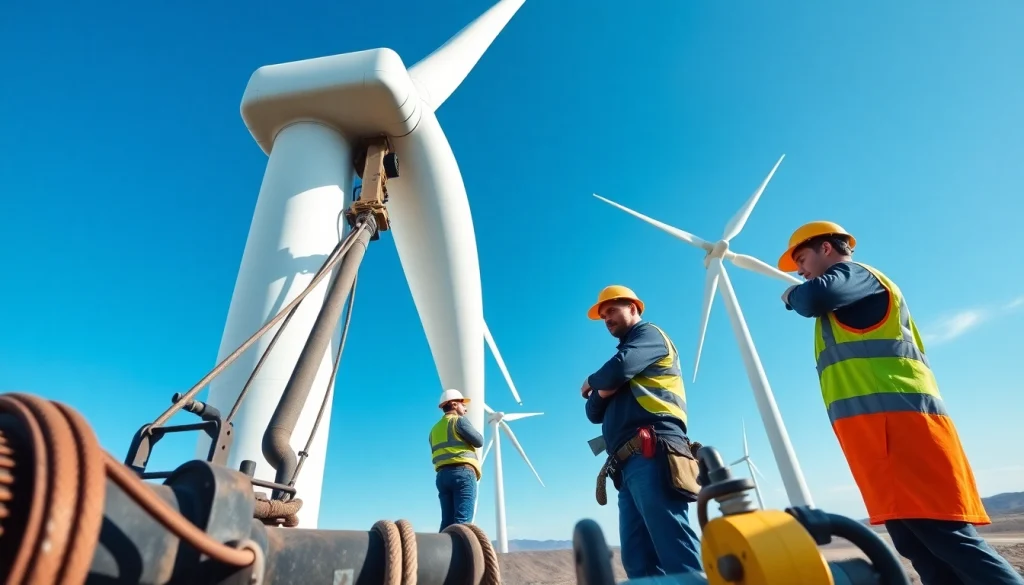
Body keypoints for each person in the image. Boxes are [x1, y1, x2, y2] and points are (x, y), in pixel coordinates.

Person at [778, 221, 1023, 585]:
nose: (799, 271)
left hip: (905, 432)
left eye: (801, 258)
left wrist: (791, 296)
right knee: (918, 546)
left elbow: (814, 298)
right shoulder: (845, 297)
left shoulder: (857, 276)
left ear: (826, 249)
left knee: (949, 540)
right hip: (879, 440)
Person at [582, 285, 704, 579]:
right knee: (639, 562)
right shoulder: (629, 354)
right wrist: (606, 385)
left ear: (633, 308)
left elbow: (617, 371)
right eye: (603, 315)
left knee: (674, 547)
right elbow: (592, 412)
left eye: (612, 310)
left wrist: (593, 382)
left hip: (654, 451)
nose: (607, 318)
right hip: (626, 466)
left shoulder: (650, 336)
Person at [429, 389, 484, 532]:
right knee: (463, 523)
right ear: (454, 404)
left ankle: (440, 552)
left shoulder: (434, 430)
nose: (465, 409)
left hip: (442, 477)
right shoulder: (458, 421)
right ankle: (458, 554)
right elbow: (479, 441)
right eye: (462, 404)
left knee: (446, 522)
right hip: (462, 474)